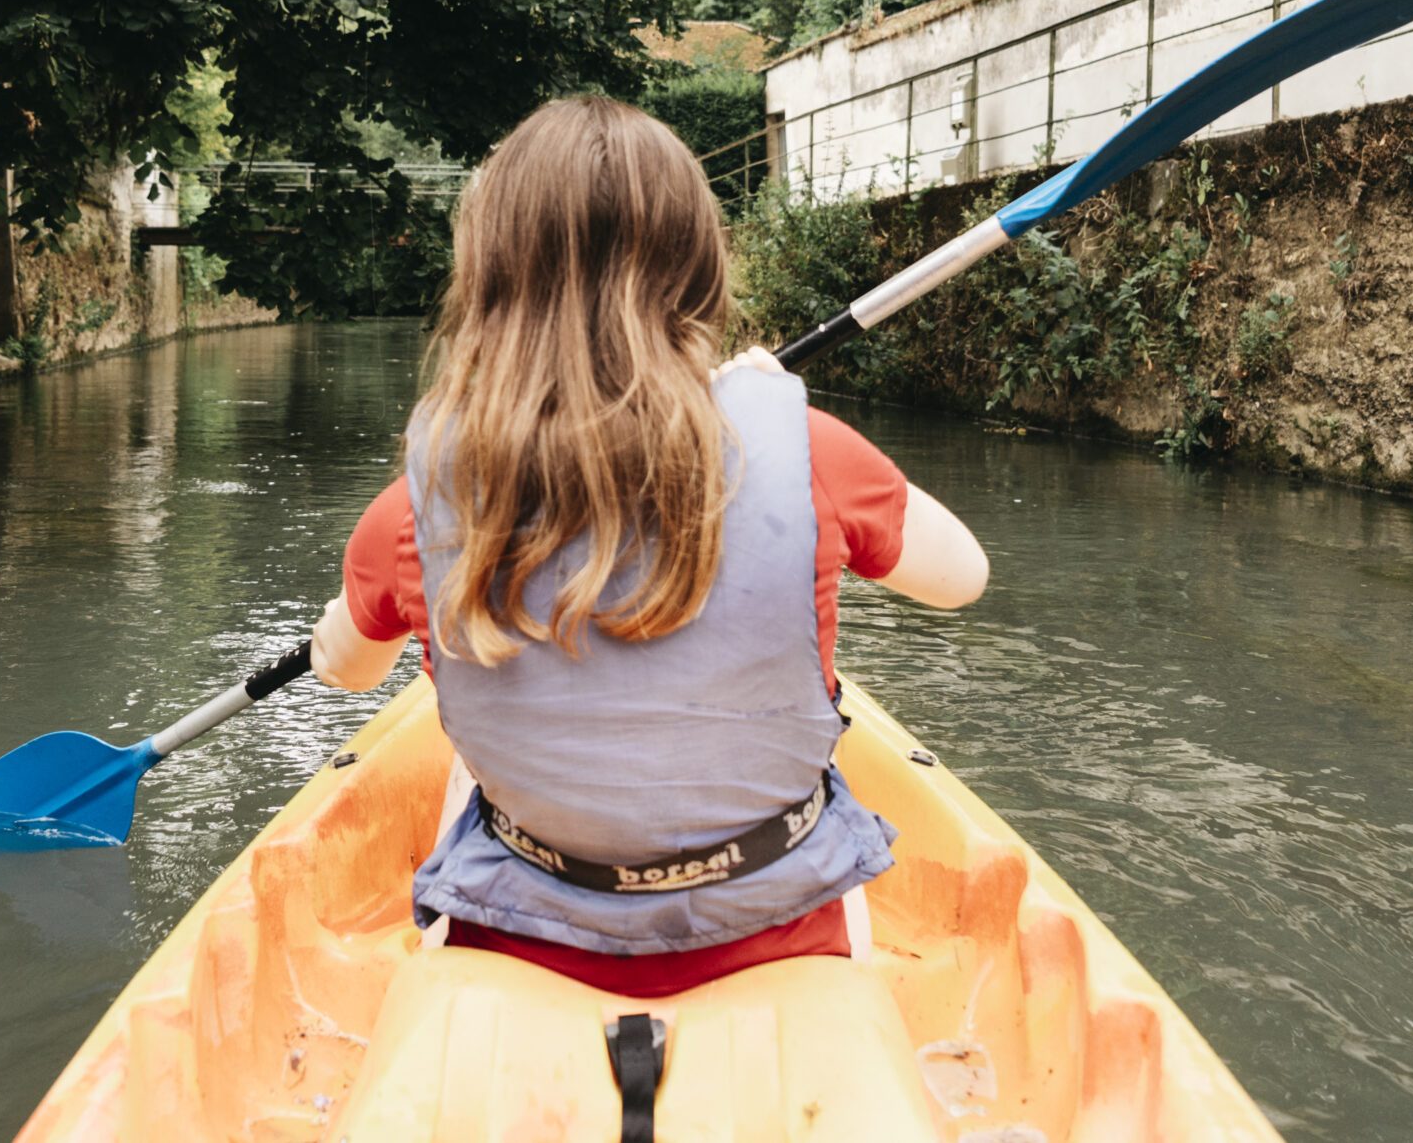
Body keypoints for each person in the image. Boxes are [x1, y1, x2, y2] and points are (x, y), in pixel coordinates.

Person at [309, 95, 988, 999]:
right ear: (700, 272)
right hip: (781, 929)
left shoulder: (413, 507)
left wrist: (336, 628)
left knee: (457, 780)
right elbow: (962, 576)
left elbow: (346, 672)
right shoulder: (808, 451)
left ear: (488, 281)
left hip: (526, 930)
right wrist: (767, 411)